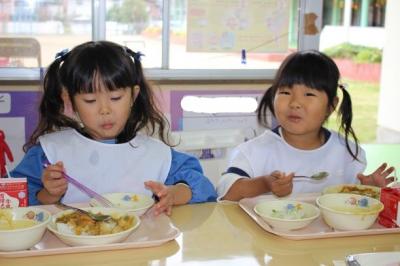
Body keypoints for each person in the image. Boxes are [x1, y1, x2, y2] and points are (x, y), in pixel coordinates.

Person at [11, 41, 217, 214]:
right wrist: (49, 194)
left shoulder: (155, 154)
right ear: (70, 101)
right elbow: (12, 199)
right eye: (90, 100)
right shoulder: (49, 154)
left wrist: (173, 194)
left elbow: (203, 188)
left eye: (116, 97)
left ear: (133, 96)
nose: (105, 110)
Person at [217, 50, 395, 201]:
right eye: (286, 92)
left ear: (331, 106)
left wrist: (369, 191)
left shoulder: (345, 153)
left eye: (309, 94)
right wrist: (264, 183)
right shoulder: (253, 152)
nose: (295, 103)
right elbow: (225, 192)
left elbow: (352, 202)